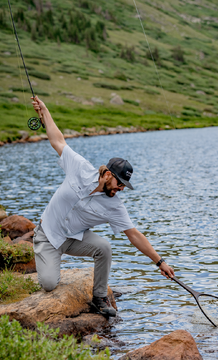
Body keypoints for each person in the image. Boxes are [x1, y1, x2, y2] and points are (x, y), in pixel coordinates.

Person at [31, 96, 175, 318]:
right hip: (47, 235)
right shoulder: (79, 167)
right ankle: (48, 261)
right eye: (120, 183)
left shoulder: (114, 205)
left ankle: (99, 298)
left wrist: (160, 262)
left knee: (104, 247)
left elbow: (134, 235)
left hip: (73, 239)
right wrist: (45, 111)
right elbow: (58, 140)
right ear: (108, 174)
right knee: (49, 284)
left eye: (125, 186)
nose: (121, 189)